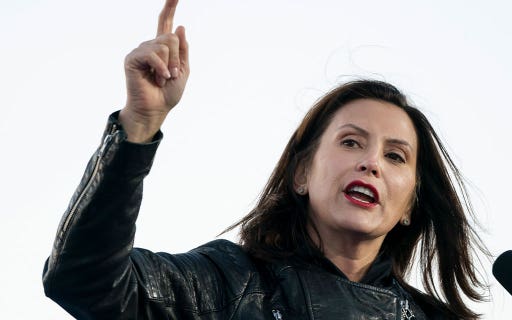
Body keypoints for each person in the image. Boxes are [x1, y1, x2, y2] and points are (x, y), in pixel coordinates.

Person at [43, 0, 488, 319]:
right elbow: (85, 281)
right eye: (351, 143)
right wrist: (139, 123)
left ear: (411, 204)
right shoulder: (227, 284)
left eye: (395, 156)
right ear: (301, 174)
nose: (371, 162)